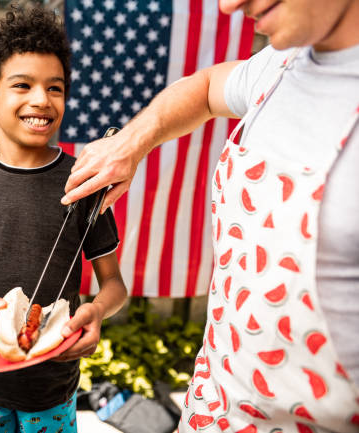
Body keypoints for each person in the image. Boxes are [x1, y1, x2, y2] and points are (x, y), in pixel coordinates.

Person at [61, 0, 359, 432]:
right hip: (212, 409)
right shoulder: (279, 64)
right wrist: (132, 142)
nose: (228, 4)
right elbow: (204, 87)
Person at [0, 6, 127, 433]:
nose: (41, 99)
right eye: (22, 85)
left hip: (52, 387)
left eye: (54, 88)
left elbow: (115, 285)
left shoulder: (85, 180)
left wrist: (96, 311)